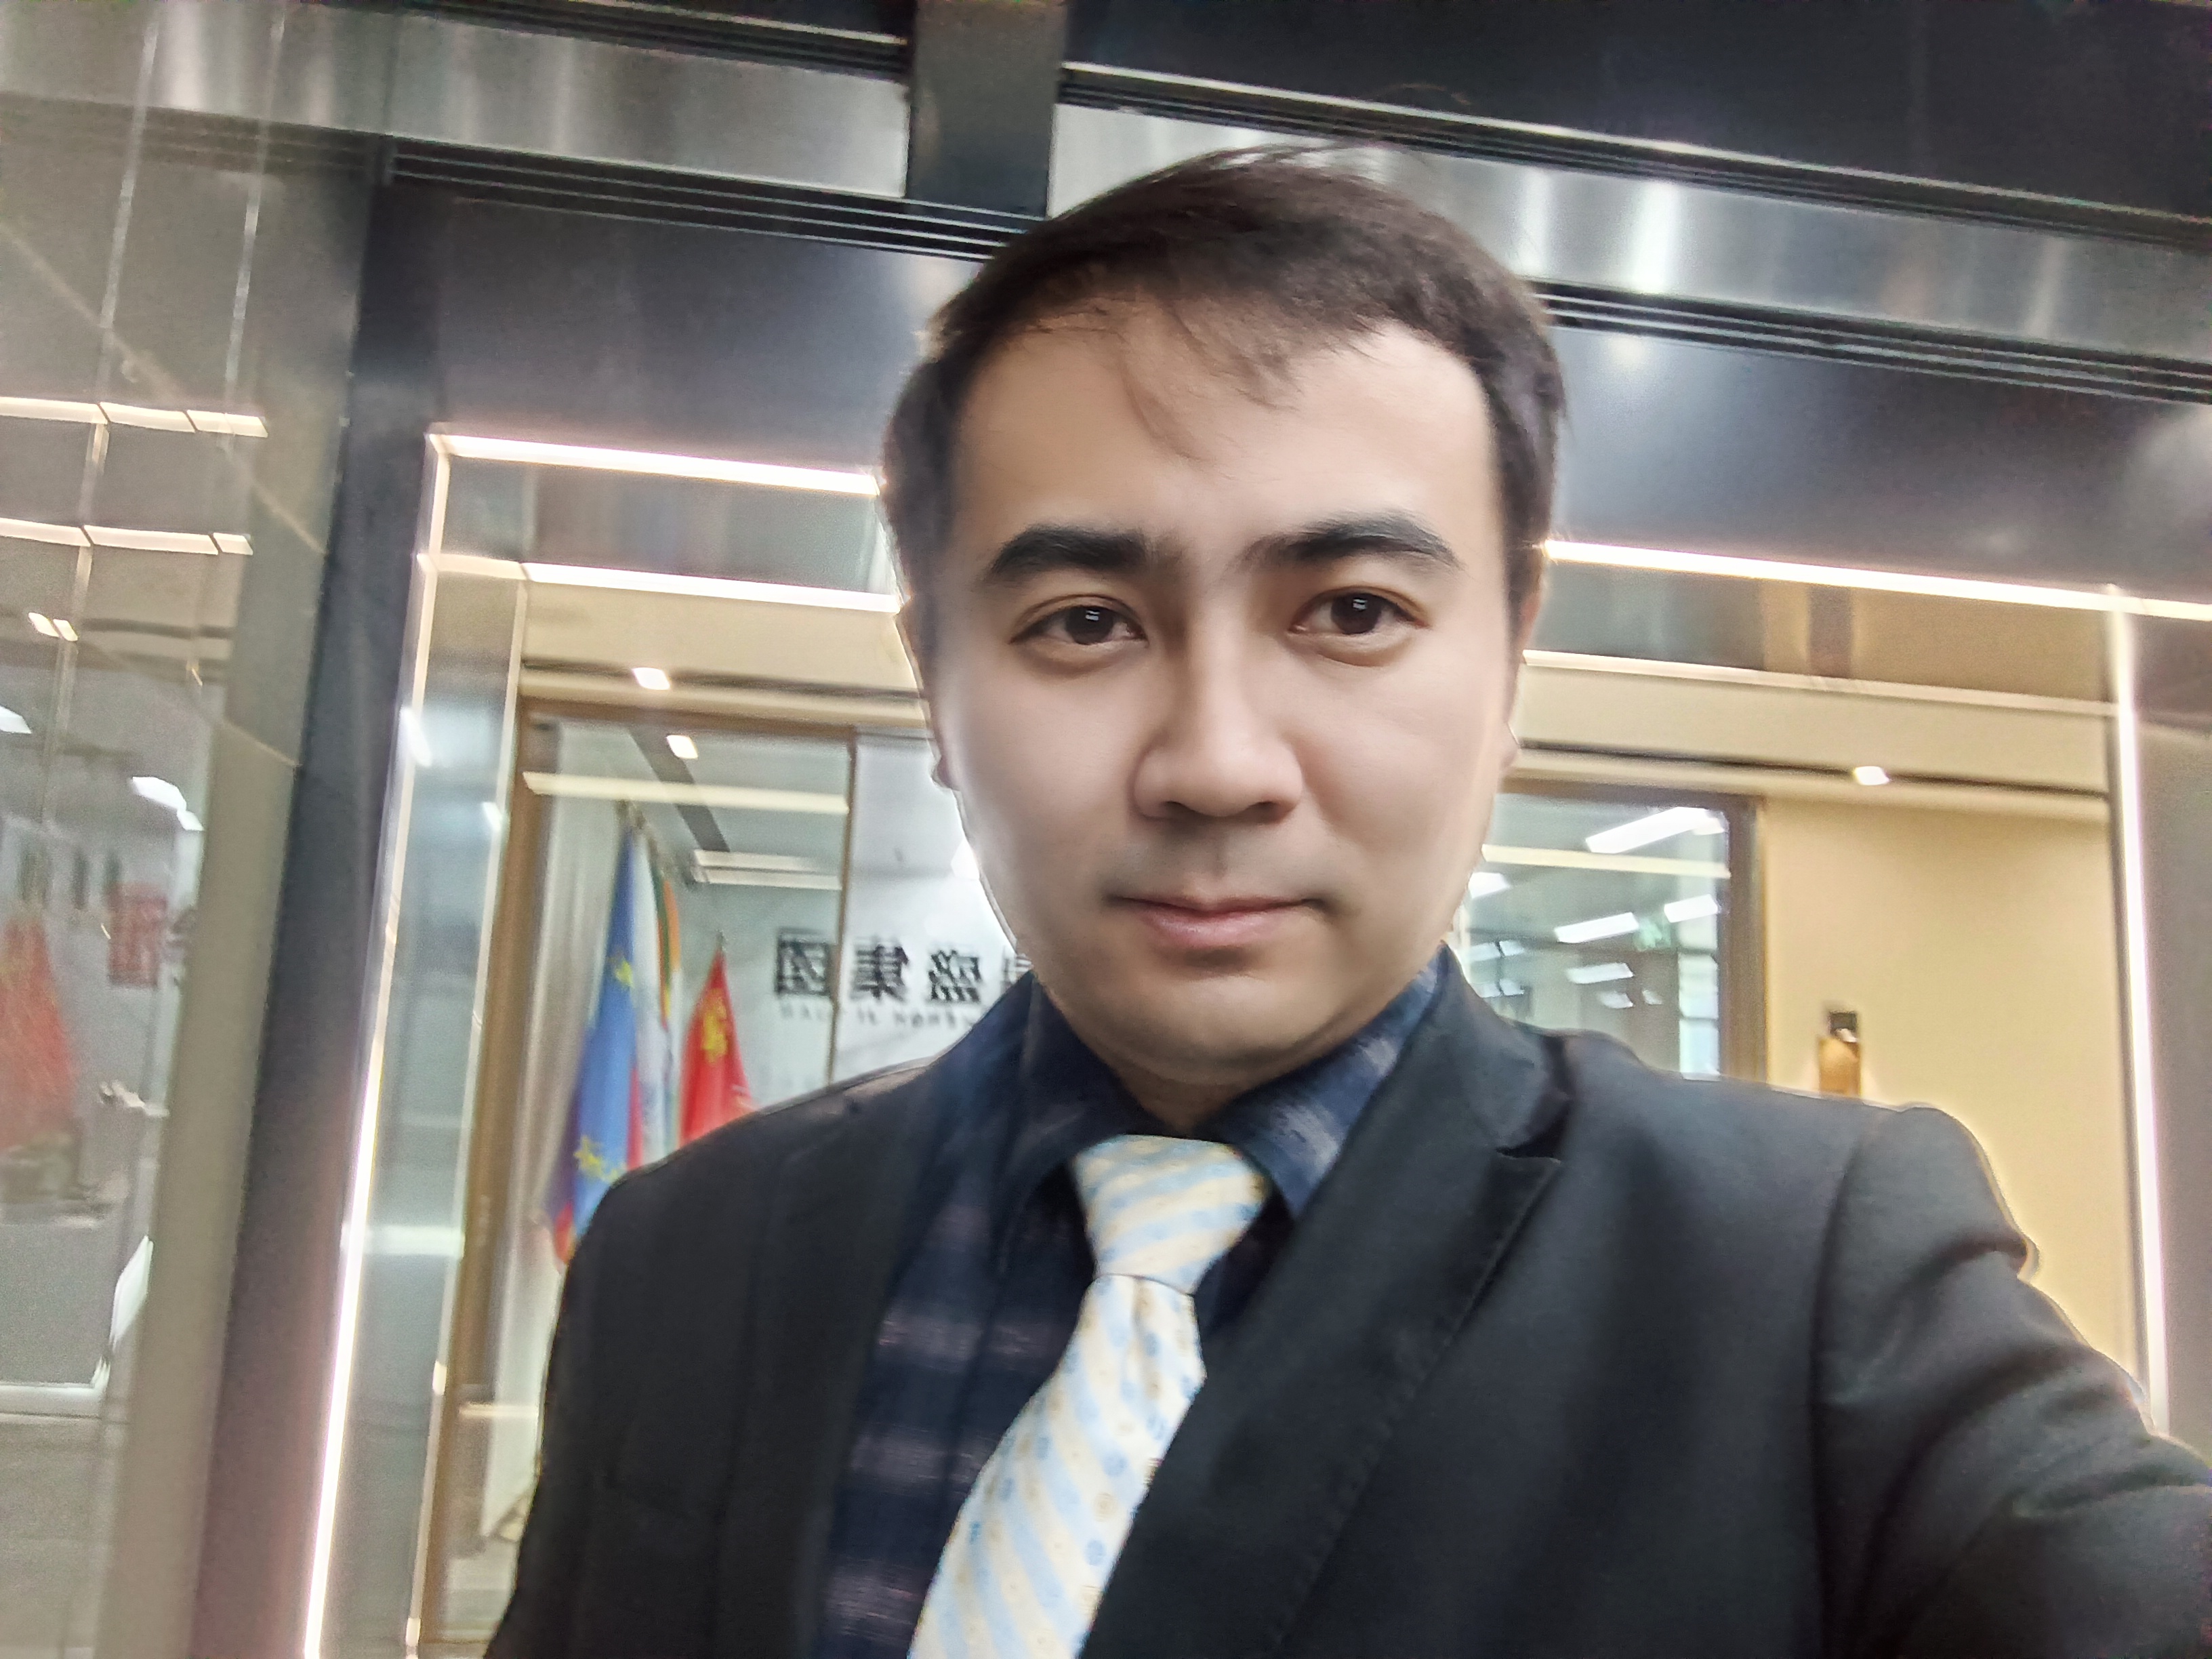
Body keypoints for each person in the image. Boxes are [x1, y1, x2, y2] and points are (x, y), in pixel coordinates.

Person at [491, 150, 2211, 1659]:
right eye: (1085, 622)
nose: (1216, 764)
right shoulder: (684, 1253)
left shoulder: (1812, 1274)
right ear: (935, 681)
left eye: (1355, 612)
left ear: (1512, 660)